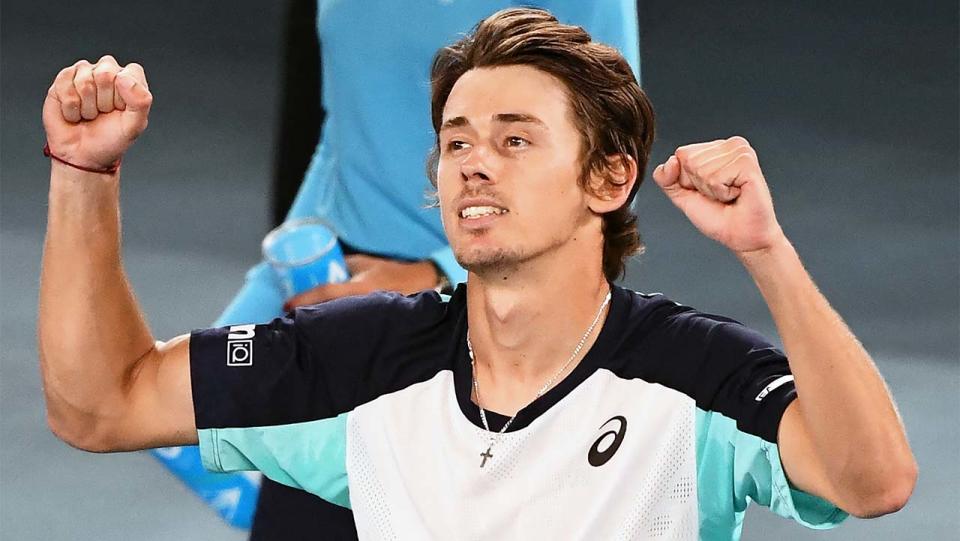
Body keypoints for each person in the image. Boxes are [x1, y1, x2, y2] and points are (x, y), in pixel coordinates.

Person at [38, 8, 916, 540]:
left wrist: (766, 250)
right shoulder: (364, 359)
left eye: (514, 138)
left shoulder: (695, 374)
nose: (472, 163)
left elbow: (871, 480)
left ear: (610, 178)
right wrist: (84, 176)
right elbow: (101, 402)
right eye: (456, 141)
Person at [184, 1, 643, 538]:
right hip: (343, 303)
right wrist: (289, 262)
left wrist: (436, 273)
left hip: (482, 319)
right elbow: (341, 131)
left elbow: (606, 173)